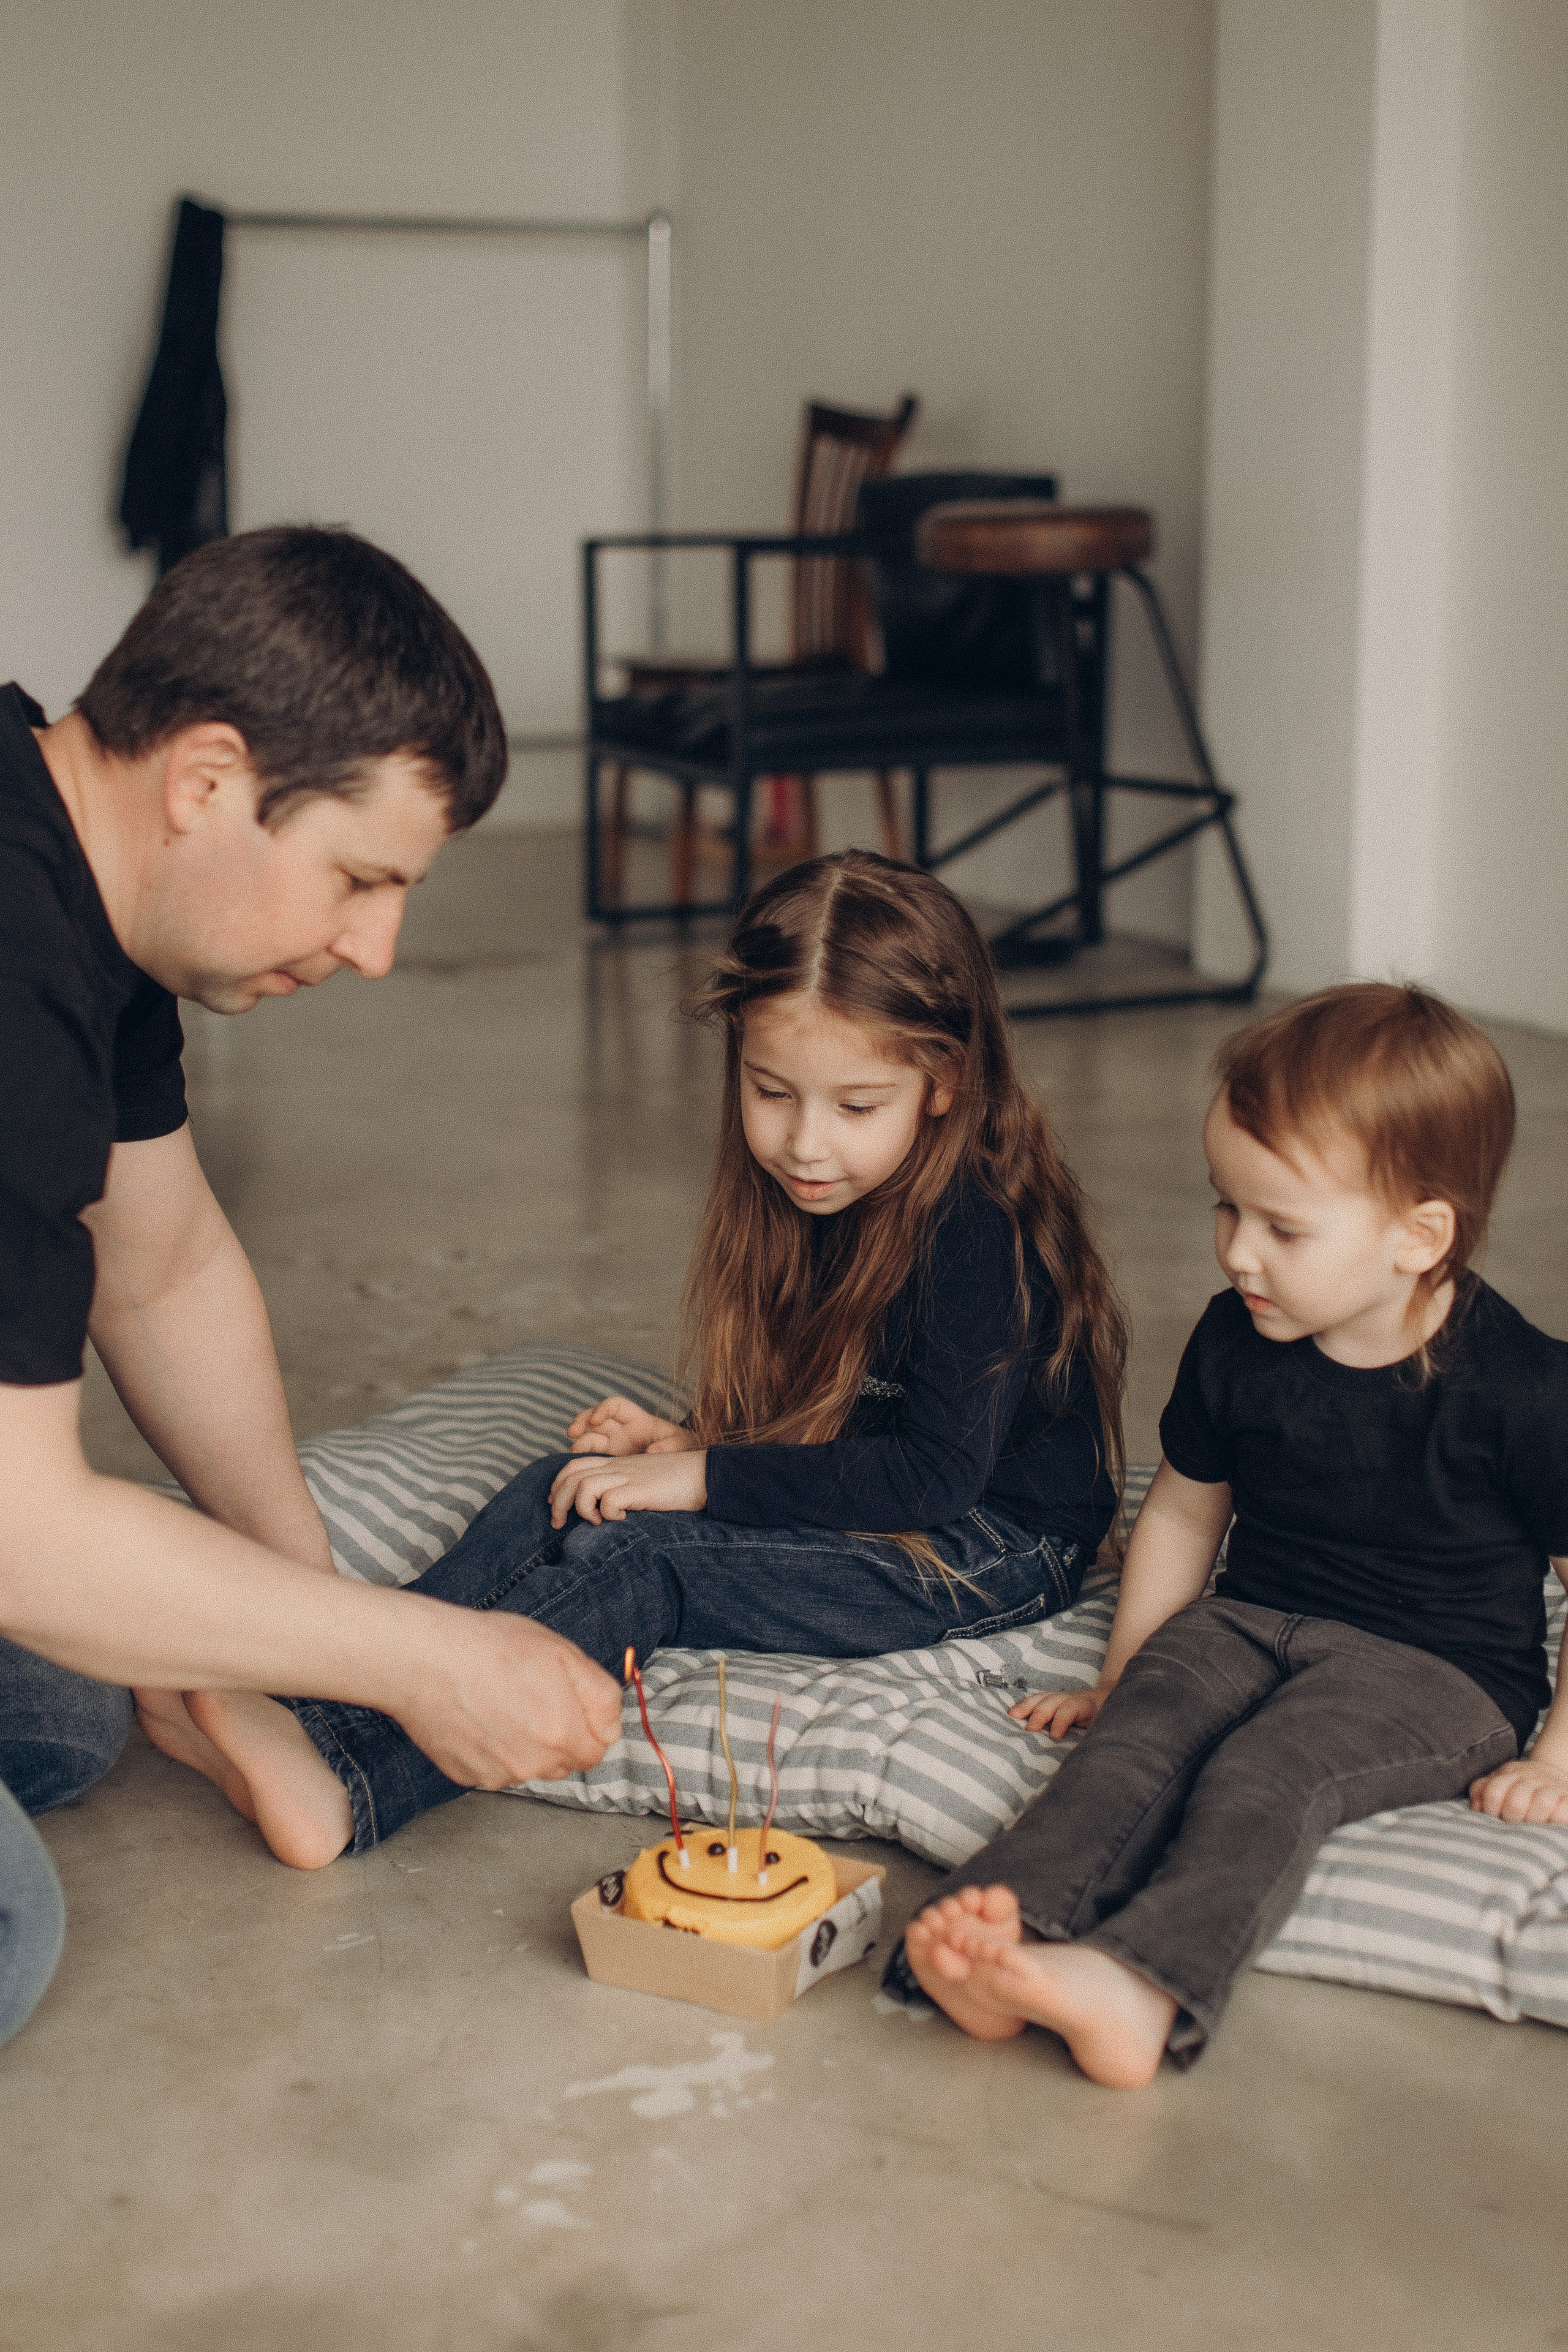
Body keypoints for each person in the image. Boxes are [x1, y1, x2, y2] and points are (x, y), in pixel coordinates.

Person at [164, 850, 1129, 1865]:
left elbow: (933, 1473)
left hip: (991, 1545)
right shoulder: (832, 1190)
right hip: (895, 1485)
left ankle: (345, 1780)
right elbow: (862, 1404)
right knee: (573, 1489)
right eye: (772, 1093)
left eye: (855, 1108)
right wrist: (697, 1442)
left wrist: (703, 1476)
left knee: (647, 1554)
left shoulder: (974, 1228)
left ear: (943, 1083)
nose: (806, 1144)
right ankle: (341, 1678)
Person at [0, 528, 621, 2051]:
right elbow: (18, 1534)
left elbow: (163, 1267)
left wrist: (302, 1628)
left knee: (69, 1715)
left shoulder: (81, 871)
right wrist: (421, 1660)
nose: (378, 947)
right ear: (208, 779)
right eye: (357, 879)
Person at [900, 982, 1568, 2087]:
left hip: (1439, 1669)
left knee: (1271, 1772)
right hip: (1252, 1616)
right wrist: (1123, 1674)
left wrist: (1555, 1761)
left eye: (1281, 1227)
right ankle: (1006, 1932)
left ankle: (1141, 1988)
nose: (1236, 1254)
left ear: (1420, 1235)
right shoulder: (1240, 1338)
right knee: (1142, 1735)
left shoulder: (1526, 1389)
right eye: (1227, 1208)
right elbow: (1181, 1505)